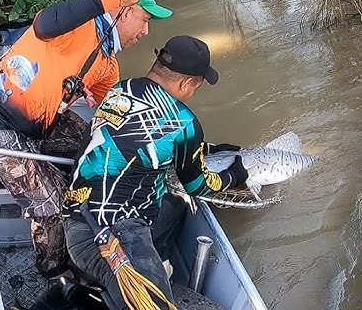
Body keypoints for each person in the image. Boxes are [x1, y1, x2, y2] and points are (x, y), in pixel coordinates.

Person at [0, 0, 173, 277]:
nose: (145, 31)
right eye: (144, 19)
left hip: (42, 123)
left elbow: (108, 116)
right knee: (51, 207)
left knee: (94, 149)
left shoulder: (108, 66)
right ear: (124, 11)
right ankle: (53, 273)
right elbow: (46, 22)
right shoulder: (78, 26)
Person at [61, 35, 249, 309]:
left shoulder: (120, 89)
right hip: (108, 241)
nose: (192, 93)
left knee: (173, 206)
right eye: (195, 87)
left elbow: (136, 138)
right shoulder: (184, 122)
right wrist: (234, 175)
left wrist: (206, 148)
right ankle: (122, 285)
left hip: (74, 215)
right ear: (186, 83)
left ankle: (149, 266)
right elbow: (198, 186)